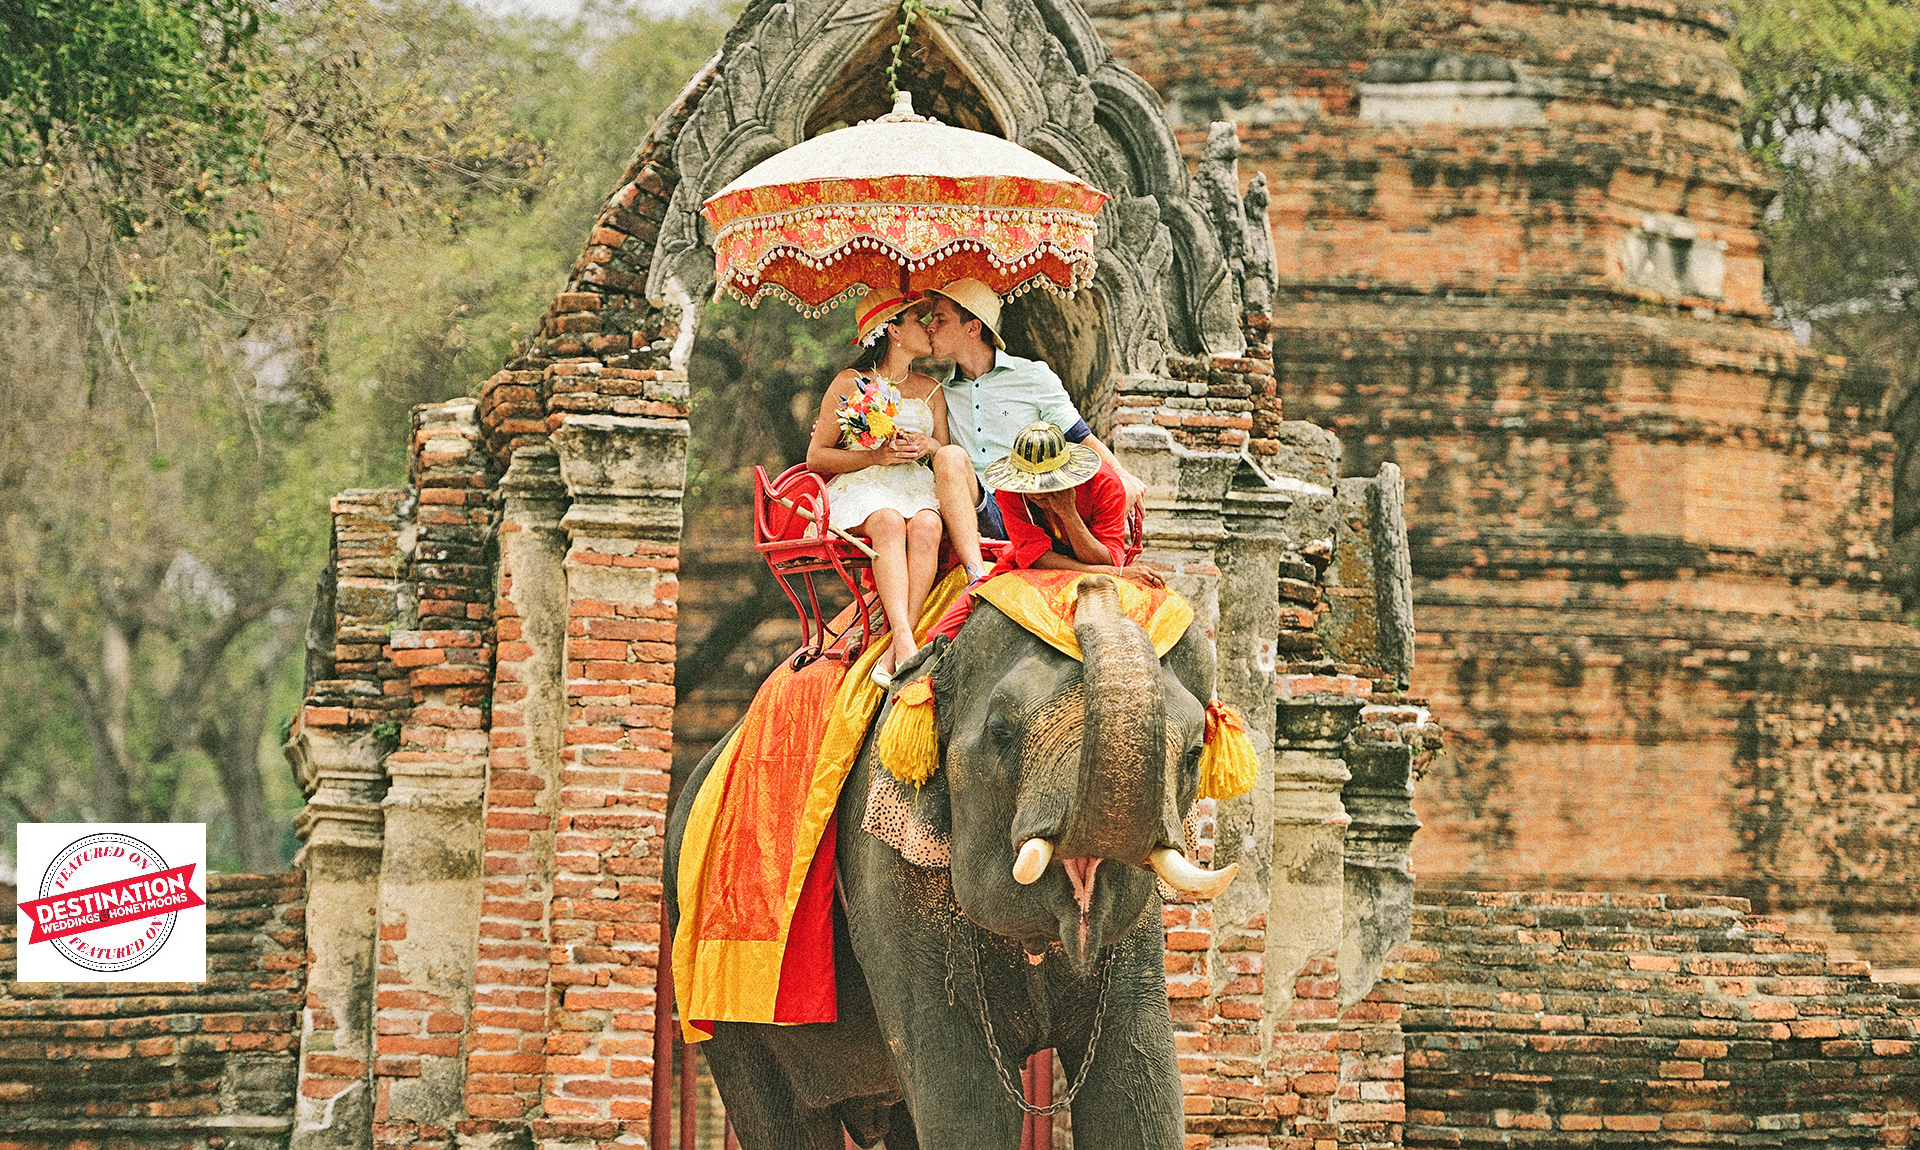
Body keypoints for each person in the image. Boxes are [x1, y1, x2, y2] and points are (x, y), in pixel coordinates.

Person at [918, 278, 1149, 582]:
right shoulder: (941, 391)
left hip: (1030, 508)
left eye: (940, 318)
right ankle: (975, 576)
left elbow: (1080, 436)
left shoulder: (1033, 376)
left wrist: (1122, 474)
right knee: (948, 455)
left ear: (973, 327)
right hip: (976, 511)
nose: (929, 326)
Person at [806, 288, 950, 686]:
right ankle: (905, 640)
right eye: (918, 321)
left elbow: (944, 448)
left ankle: (893, 648)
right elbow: (816, 456)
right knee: (888, 521)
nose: (927, 328)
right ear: (894, 331)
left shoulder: (931, 389)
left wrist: (927, 445)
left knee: (927, 526)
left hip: (915, 483)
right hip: (865, 482)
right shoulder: (850, 382)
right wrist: (875, 455)